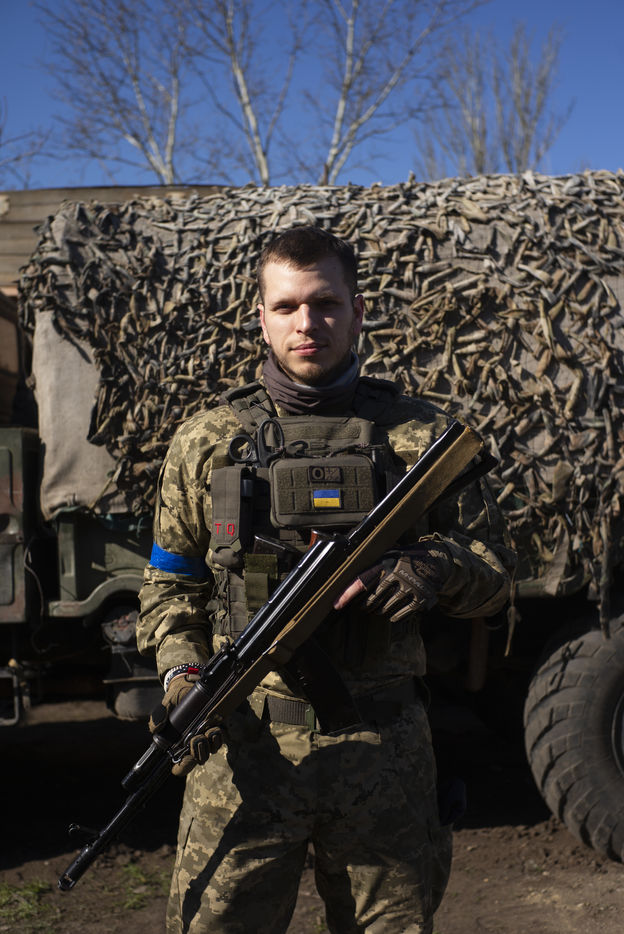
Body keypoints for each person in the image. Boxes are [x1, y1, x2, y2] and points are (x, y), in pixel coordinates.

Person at [137, 225, 515, 934]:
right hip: (243, 752)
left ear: (357, 310)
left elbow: (496, 576)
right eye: (286, 306)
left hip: (383, 753)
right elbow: (170, 586)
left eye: (325, 303)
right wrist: (183, 677)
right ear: (261, 318)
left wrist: (430, 567)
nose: (306, 323)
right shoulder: (207, 440)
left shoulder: (423, 438)